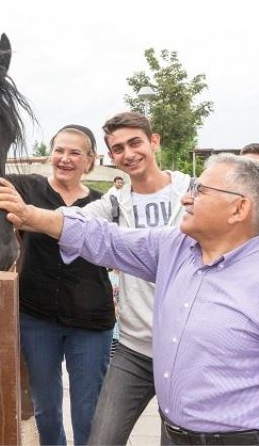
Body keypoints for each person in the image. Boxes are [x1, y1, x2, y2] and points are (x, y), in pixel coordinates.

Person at [0, 153, 259, 445]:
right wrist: (31, 215)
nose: (186, 198)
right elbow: (108, 239)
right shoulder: (176, 247)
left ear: (239, 210)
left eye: (200, 190)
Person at [64, 111, 191, 446]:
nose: (128, 153)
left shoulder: (193, 192)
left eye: (135, 142)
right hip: (135, 349)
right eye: (118, 148)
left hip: (187, 351)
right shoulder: (115, 203)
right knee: (102, 439)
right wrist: (26, 213)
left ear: (154, 141)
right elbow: (70, 221)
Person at [8, 124, 114, 445]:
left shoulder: (104, 204)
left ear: (90, 161)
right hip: (37, 318)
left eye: (74, 153)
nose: (65, 159)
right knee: (46, 410)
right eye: (59, 150)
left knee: (88, 412)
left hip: (91, 322)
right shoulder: (26, 188)